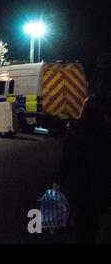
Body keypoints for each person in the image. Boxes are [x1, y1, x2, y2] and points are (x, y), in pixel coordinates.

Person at [54, 95, 111, 243]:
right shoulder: (106, 131)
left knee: (81, 221)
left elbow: (66, 159)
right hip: (100, 183)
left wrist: (59, 181)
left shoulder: (74, 129)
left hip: (78, 185)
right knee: (95, 220)